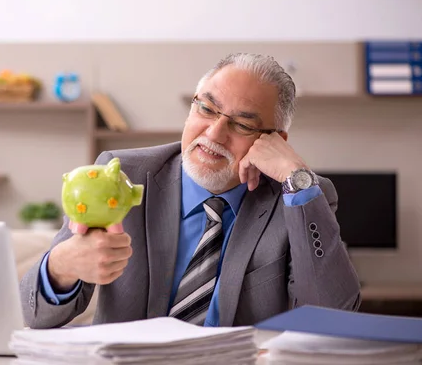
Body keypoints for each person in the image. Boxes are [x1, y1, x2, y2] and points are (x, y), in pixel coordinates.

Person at [20, 53, 361, 329]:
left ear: (274, 142)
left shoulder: (298, 198)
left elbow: (334, 321)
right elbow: (32, 314)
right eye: (207, 108)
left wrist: (296, 178)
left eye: (242, 124)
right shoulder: (122, 176)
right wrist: (61, 267)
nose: (214, 134)